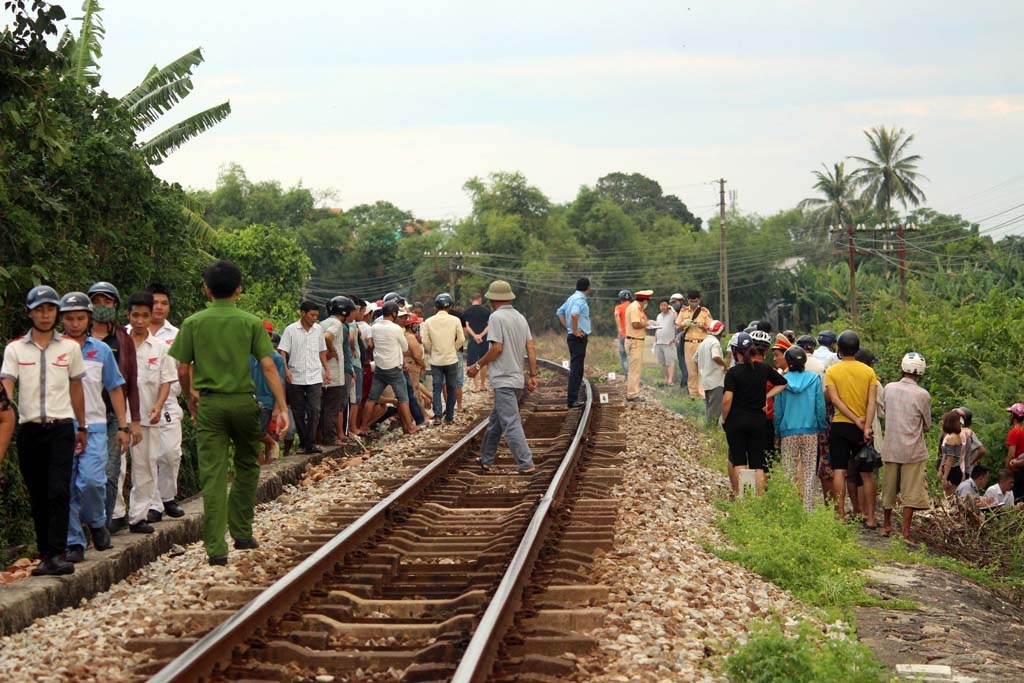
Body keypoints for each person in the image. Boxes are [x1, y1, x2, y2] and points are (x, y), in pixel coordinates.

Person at [169, 259, 289, 565]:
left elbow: (182, 368)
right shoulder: (250, 322)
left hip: (210, 403)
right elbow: (267, 364)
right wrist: (282, 406)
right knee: (248, 465)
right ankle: (243, 533)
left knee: (213, 474)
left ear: (205, 290)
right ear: (239, 289)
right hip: (243, 402)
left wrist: (190, 396)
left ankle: (216, 549)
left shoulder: (193, 323)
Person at [1, 286, 88, 576]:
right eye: (39, 309)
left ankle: (59, 553)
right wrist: (5, 408)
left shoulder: (70, 348)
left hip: (61, 427)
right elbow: (8, 385)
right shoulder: (15, 349)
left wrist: (82, 425)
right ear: (29, 313)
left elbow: (76, 387)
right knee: (37, 493)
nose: (45, 314)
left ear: (56, 313)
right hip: (29, 430)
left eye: (50, 309)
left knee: (58, 490)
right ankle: (45, 555)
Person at [58, 292, 130, 562]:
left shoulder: (100, 351)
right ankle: (74, 541)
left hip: (96, 425)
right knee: (66, 486)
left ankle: (97, 522)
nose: (74, 323)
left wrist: (123, 425)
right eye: (69, 318)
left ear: (88, 319)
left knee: (91, 481)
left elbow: (114, 388)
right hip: (62, 426)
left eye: (79, 318)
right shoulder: (55, 350)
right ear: (61, 319)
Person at [466, 280, 538, 474]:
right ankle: (486, 459)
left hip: (504, 379)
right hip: (516, 379)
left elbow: (497, 348)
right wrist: (532, 375)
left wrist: (477, 365)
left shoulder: (496, 317)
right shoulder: (520, 318)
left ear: (493, 299)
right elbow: (530, 347)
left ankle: (526, 463)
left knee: (510, 422)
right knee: (496, 421)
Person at [87, 280, 141, 532]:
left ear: (116, 305)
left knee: (110, 473)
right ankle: (81, 530)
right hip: (79, 415)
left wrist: (133, 421)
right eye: (96, 301)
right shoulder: (77, 334)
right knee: (83, 478)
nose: (101, 306)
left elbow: (130, 382)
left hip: (111, 414)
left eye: (106, 302)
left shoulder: (122, 338)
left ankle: (104, 527)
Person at [124, 292, 176, 534]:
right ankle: (112, 516)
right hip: (119, 416)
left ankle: (138, 516)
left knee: (146, 466)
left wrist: (159, 404)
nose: (140, 320)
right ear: (128, 315)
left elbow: (166, 380)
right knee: (116, 469)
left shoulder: (159, 347)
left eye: (145, 315)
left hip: (148, 414)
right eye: (136, 315)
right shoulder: (118, 343)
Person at [722, 332, 787, 496]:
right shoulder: (763, 369)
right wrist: (767, 396)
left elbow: (727, 400)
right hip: (758, 421)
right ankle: (758, 499)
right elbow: (783, 383)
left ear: (736, 351)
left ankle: (744, 498)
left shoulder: (733, 373)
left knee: (739, 461)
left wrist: (725, 418)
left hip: (736, 421)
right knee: (757, 463)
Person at [825, 330, 878, 525]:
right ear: (857, 348)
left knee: (839, 470)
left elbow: (835, 400)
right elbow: (871, 401)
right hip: (862, 427)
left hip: (840, 425)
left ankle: (840, 515)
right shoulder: (868, 371)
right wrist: (866, 426)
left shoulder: (832, 371)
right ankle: (871, 518)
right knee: (866, 473)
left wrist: (854, 419)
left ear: (839, 348)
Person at [879, 352, 931, 541]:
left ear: (902, 368)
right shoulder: (923, 395)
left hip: (891, 446)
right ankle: (905, 533)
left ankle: (886, 525)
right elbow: (926, 424)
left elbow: (885, 411)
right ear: (921, 373)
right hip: (913, 451)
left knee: (889, 488)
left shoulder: (889, 388)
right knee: (910, 491)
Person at [145, 283, 185, 520]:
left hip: (169, 401)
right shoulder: (130, 331)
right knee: (145, 457)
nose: (159, 307)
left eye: (164, 303)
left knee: (170, 453)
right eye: (154, 302)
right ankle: (152, 505)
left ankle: (168, 497)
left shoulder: (177, 335)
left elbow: (185, 368)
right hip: (139, 401)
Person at [773, 346, 827, 510]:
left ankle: (787, 507)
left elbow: (778, 411)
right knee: (809, 470)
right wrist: (822, 427)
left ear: (788, 362)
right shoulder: (814, 379)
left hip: (788, 431)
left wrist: (777, 431)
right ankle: (808, 508)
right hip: (810, 430)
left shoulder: (782, 381)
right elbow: (820, 407)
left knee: (788, 469)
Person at [357, 301, 419, 436]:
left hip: (380, 368)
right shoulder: (396, 328)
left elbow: (371, 344)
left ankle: (363, 426)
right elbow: (405, 347)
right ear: (394, 313)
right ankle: (409, 427)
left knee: (372, 398)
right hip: (394, 368)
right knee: (403, 398)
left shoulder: (374, 327)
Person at [278, 301, 329, 454]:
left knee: (314, 409)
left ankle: (309, 442)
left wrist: (326, 369)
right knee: (298, 410)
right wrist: (286, 369)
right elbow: (283, 352)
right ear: (303, 313)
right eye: (312, 315)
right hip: (296, 375)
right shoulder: (291, 330)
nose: (314, 318)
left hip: (314, 375)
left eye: (316, 316)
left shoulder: (318, 330)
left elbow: (322, 351)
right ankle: (304, 442)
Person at [421, 292, 465, 424]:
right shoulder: (455, 320)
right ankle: (450, 417)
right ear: (450, 306)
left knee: (436, 387)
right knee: (452, 387)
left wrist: (432, 350)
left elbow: (425, 341)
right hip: (451, 359)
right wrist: (453, 349)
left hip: (436, 360)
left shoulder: (428, 321)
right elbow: (462, 339)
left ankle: (438, 416)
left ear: (436, 307)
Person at [321, 296, 355, 446]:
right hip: (334, 372)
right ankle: (330, 438)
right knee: (332, 407)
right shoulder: (337, 324)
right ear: (345, 311)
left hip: (324, 370)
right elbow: (328, 337)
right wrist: (332, 351)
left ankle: (324, 436)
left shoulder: (322, 323)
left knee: (324, 406)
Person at [249, 327, 287, 463]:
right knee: (252, 435)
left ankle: (269, 457)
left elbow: (280, 383)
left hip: (268, 399)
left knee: (261, 432)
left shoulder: (276, 358)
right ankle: (260, 464)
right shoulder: (248, 355)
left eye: (269, 335)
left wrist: (278, 407)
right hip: (251, 398)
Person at [556, 277, 591, 408]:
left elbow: (560, 312)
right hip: (578, 337)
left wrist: (569, 327)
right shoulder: (579, 300)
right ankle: (572, 400)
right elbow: (574, 315)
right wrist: (575, 330)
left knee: (577, 367)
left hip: (573, 336)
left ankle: (573, 398)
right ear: (588, 288)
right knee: (576, 369)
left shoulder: (571, 298)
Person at [675, 290, 713, 398]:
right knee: (691, 370)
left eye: (695, 301)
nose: (693, 303)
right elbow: (677, 329)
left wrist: (702, 326)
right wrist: (684, 325)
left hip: (702, 343)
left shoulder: (704, 311)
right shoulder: (683, 311)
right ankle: (692, 394)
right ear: (688, 300)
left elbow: (711, 328)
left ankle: (702, 394)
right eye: (691, 301)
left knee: (702, 369)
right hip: (689, 343)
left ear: (699, 300)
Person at [694, 320, 727, 425]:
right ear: (720, 332)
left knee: (709, 406)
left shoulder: (704, 342)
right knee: (715, 409)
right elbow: (716, 356)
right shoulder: (715, 343)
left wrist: (702, 370)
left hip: (706, 380)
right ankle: (710, 429)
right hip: (716, 381)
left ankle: (709, 428)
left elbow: (695, 359)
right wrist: (725, 365)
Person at [624, 289, 653, 403]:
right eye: (647, 301)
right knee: (634, 369)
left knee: (635, 369)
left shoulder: (636, 307)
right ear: (645, 300)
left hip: (635, 341)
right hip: (635, 341)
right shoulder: (635, 308)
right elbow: (635, 324)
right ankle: (632, 394)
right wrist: (647, 324)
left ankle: (633, 392)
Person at [463, 293, 491, 392]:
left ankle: (476, 386)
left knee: (473, 362)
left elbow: (466, 326)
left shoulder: (467, 311)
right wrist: (481, 335)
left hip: (473, 340)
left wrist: (474, 336)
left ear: (472, 300)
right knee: (483, 362)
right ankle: (483, 385)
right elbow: (489, 326)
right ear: (480, 299)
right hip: (484, 340)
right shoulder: (486, 311)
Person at [938, 410, 965, 497]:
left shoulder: (950, 438)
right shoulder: (957, 436)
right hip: (956, 470)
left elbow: (949, 459)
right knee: (953, 498)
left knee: (950, 499)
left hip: (952, 471)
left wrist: (945, 477)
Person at [652, 298, 677, 386]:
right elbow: (657, 329)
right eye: (661, 305)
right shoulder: (659, 316)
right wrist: (654, 343)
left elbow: (677, 320)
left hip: (669, 342)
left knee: (669, 362)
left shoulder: (672, 315)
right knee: (663, 362)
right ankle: (666, 379)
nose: (663, 307)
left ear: (668, 306)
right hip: (659, 342)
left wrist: (672, 310)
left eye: (664, 305)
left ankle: (670, 379)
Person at [1005, 403, 1024, 500]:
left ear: (1013, 416)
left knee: (1015, 499)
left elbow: (1011, 454)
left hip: (1016, 471)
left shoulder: (1014, 432)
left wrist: (1006, 469)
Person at [669, 293, 687, 388]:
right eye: (672, 303)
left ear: (681, 301)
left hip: (688, 341)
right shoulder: (674, 312)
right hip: (679, 341)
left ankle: (687, 385)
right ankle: (684, 384)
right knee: (682, 364)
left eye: (675, 302)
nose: (673, 305)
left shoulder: (687, 311)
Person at [614, 290, 633, 379]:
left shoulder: (619, 307)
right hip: (634, 336)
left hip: (623, 335)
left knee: (623, 356)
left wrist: (620, 328)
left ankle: (627, 374)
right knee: (633, 355)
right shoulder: (634, 307)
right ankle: (634, 374)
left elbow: (617, 315)